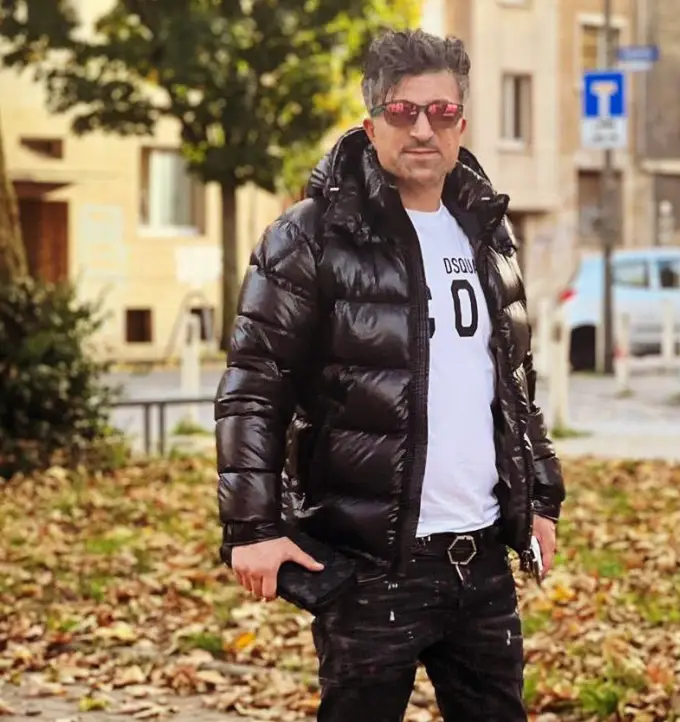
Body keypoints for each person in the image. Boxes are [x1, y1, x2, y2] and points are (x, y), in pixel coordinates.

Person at [215, 28, 565, 722]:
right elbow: (255, 386)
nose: (423, 129)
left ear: (462, 123)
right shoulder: (310, 235)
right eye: (403, 111)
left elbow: (513, 384)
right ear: (372, 122)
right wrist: (251, 528)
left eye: (441, 111)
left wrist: (541, 497)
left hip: (481, 562)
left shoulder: (488, 234)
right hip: (370, 566)